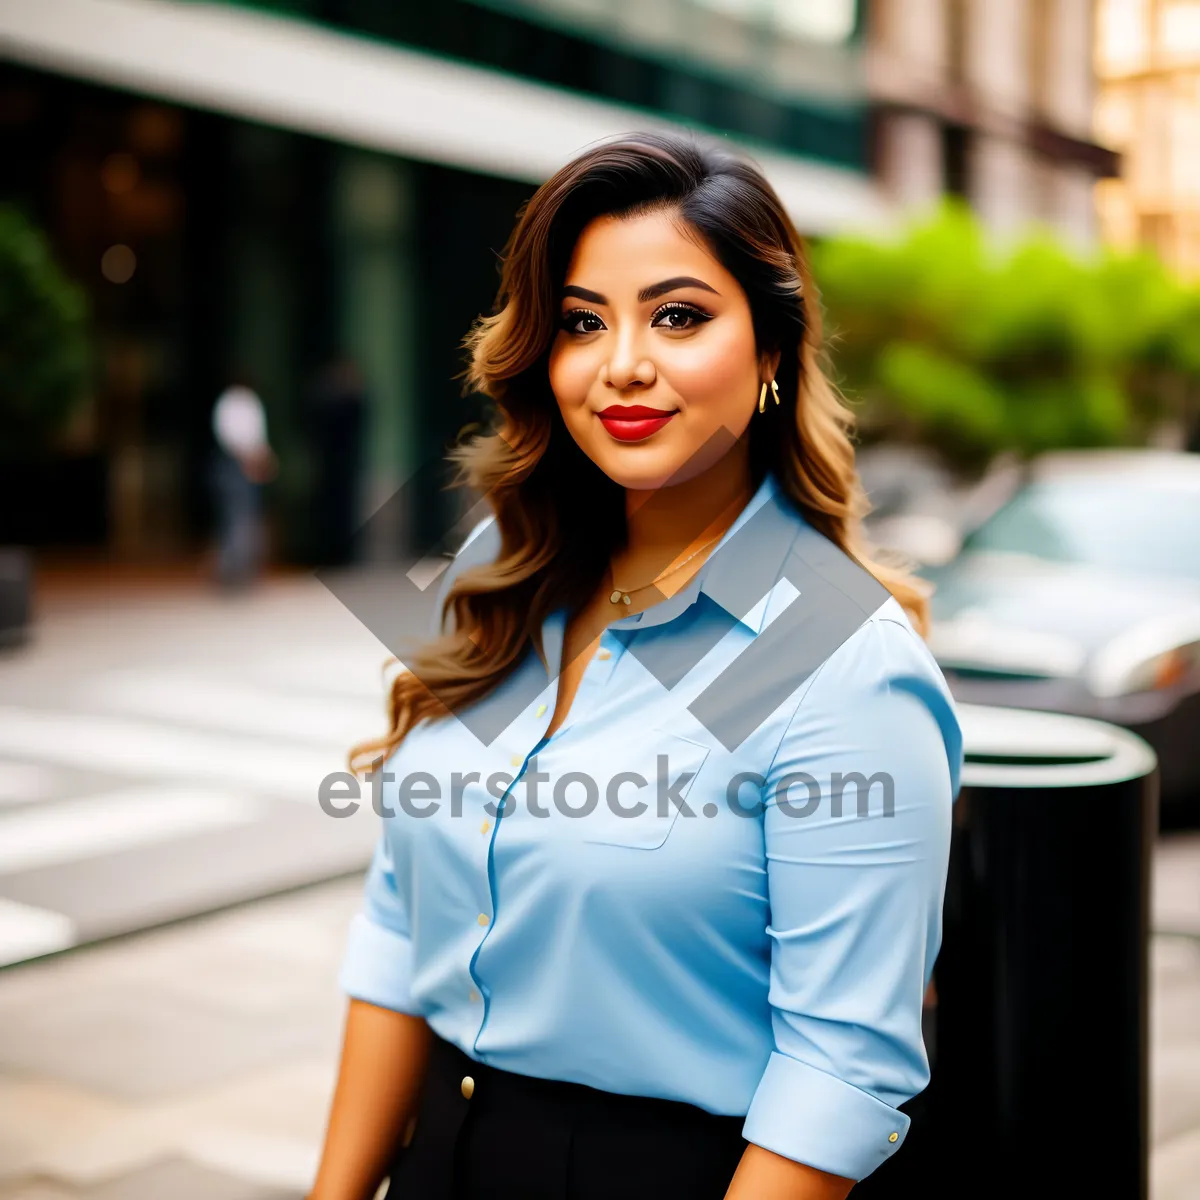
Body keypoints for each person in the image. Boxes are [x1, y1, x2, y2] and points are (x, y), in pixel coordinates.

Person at [308, 133, 963, 1200]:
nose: (622, 363)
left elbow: (839, 1073)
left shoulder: (825, 659)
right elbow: (397, 929)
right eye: (580, 321)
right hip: (439, 1151)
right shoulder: (501, 570)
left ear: (772, 352)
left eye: (678, 315)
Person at [209, 379, 276, 589]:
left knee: (248, 516)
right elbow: (230, 436)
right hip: (235, 463)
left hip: (251, 463)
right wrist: (246, 456)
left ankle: (244, 568)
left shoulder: (249, 402)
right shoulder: (229, 402)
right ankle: (230, 570)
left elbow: (257, 437)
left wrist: (262, 458)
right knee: (234, 517)